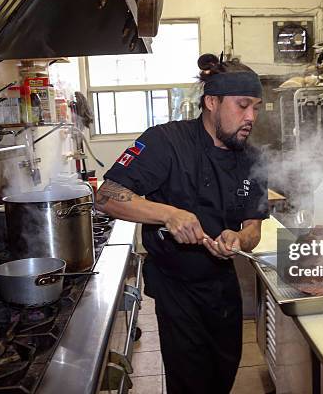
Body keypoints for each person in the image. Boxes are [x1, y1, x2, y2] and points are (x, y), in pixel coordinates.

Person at [95, 53, 269, 394]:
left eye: (257, 108)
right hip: (176, 286)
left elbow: (254, 228)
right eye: (243, 106)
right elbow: (105, 196)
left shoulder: (252, 159)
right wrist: (168, 213)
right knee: (190, 382)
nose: (251, 117)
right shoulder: (165, 141)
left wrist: (238, 239)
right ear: (211, 102)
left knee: (224, 370)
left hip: (222, 285)